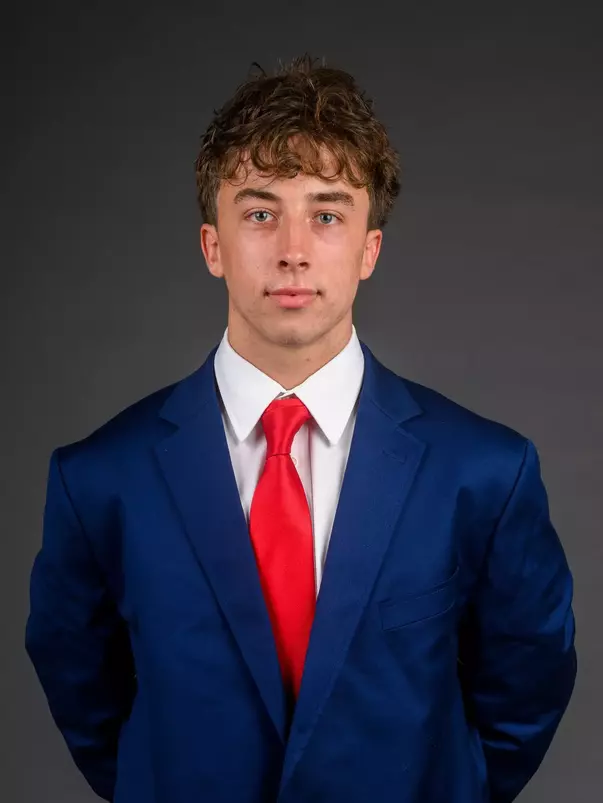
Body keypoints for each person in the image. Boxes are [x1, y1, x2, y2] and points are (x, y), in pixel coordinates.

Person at [25, 55, 577, 803]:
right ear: (212, 244)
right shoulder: (99, 479)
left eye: (326, 214)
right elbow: (84, 691)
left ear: (367, 249)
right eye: (259, 212)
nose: (291, 248)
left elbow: (526, 683)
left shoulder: (483, 471)